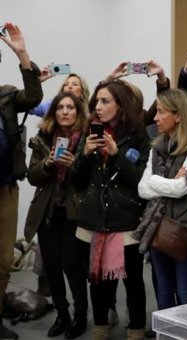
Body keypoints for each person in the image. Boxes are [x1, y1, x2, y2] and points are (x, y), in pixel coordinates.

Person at [71, 81, 150, 340]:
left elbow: (141, 182)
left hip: (126, 222)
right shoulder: (90, 134)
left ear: (121, 105)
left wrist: (116, 156)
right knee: (97, 279)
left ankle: (136, 329)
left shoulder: (138, 137)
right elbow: (77, 180)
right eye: (97, 101)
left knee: (134, 282)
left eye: (106, 102)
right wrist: (83, 155)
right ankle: (101, 327)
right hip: (94, 222)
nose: (98, 107)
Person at [134, 89, 187, 309]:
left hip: (186, 232)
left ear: (179, 115)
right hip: (157, 228)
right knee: (163, 291)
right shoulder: (156, 147)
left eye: (161, 112)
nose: (155, 118)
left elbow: (181, 188)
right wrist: (163, 182)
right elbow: (142, 190)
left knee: (185, 291)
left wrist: (154, 179)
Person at [24, 92, 89, 338]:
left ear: (78, 111)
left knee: (72, 265)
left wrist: (74, 165)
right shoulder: (43, 137)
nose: (64, 112)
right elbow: (32, 176)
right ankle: (62, 314)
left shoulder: (86, 139)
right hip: (49, 211)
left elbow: (88, 180)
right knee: (52, 266)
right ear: (54, 113)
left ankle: (80, 314)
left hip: (76, 212)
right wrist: (47, 164)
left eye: (70, 107)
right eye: (60, 107)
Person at [0, 21, 43, 340]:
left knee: (3, 260)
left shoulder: (5, 96)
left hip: (6, 190)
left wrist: (23, 55)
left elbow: (33, 94)